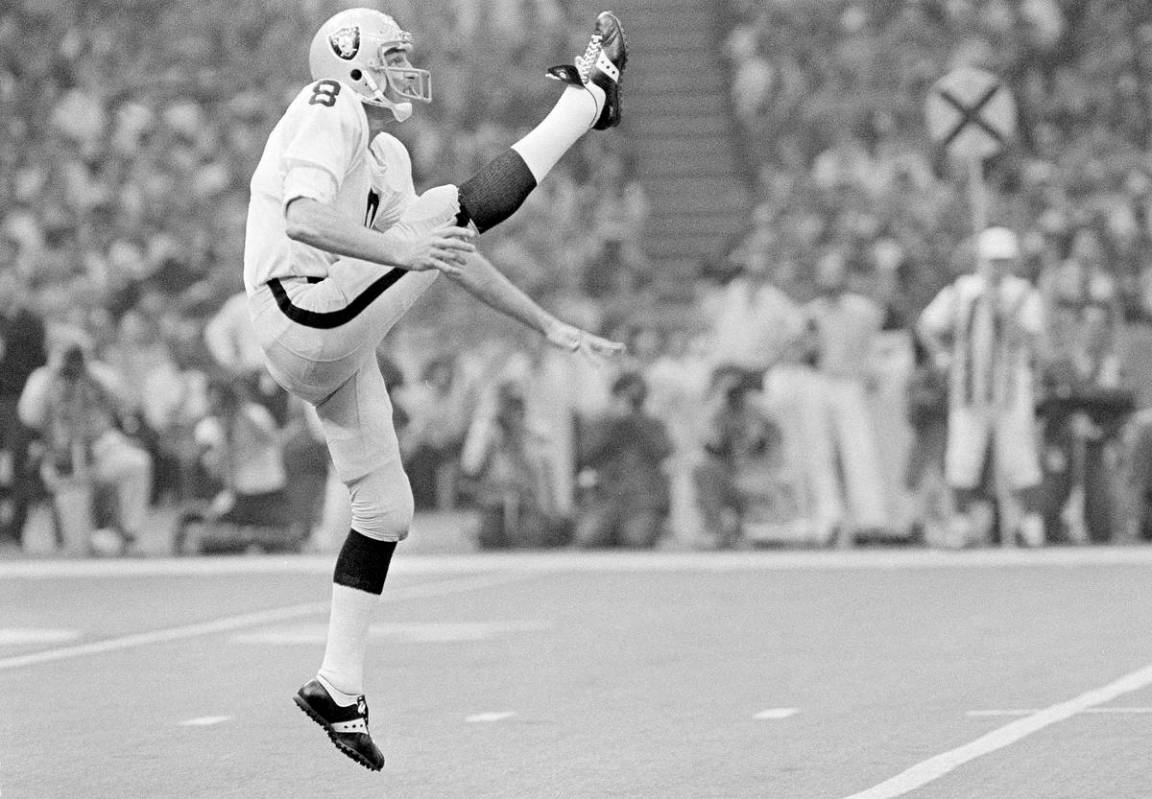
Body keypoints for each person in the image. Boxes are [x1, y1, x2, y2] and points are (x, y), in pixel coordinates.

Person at [243, 8, 628, 770]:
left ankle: (338, 687)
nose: (401, 69)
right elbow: (307, 216)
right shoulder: (329, 105)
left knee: (387, 510)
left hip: (331, 335)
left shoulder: (382, 151)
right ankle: (588, 96)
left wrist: (543, 323)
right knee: (444, 209)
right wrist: (401, 247)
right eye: (389, 56)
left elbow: (448, 247)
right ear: (349, 62)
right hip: (297, 305)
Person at [917, 227, 1046, 547]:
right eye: (992, 261)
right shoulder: (962, 291)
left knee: (1020, 459)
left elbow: (1030, 339)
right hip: (968, 390)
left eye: (1003, 261)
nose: (997, 267)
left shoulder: (1023, 294)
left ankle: (1030, 524)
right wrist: (942, 355)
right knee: (962, 459)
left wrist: (1000, 308)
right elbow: (927, 325)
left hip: (1011, 390)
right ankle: (960, 524)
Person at [574, 371, 672, 549]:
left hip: (642, 501)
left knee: (635, 539)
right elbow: (585, 456)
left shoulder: (652, 424)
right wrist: (613, 424)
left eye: (636, 399)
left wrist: (635, 420)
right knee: (587, 537)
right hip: (606, 499)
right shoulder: (603, 423)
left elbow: (663, 451)